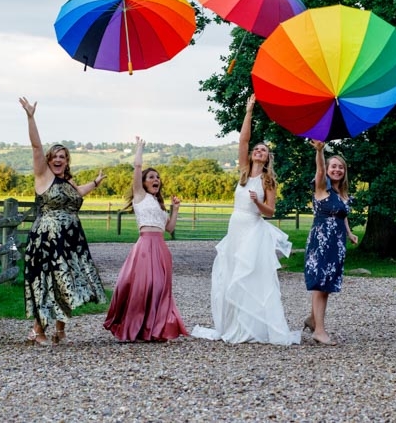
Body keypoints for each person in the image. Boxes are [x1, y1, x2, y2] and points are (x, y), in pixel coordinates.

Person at [192, 94, 301, 345]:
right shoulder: (242, 172)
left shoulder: (268, 181)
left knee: (251, 276)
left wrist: (257, 202)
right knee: (229, 274)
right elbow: (243, 139)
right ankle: (232, 325)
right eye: (257, 149)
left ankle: (252, 327)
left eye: (264, 150)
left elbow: (270, 212)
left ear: (267, 158)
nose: (259, 151)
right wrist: (249, 111)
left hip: (253, 228)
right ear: (252, 156)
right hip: (235, 227)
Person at [19, 97, 106, 347]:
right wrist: (31, 117)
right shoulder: (43, 176)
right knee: (46, 281)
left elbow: (78, 194)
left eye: (63, 157)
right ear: (49, 159)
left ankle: (59, 328)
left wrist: (96, 183)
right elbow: (36, 147)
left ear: (67, 162)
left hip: (70, 240)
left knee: (69, 282)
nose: (58, 160)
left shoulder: (68, 183)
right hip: (47, 239)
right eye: (55, 156)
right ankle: (37, 331)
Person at [103, 136, 190, 342]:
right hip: (144, 247)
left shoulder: (160, 205)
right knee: (142, 287)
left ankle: (156, 328)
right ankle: (135, 326)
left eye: (157, 178)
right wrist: (139, 148)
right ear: (142, 182)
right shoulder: (140, 196)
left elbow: (169, 228)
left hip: (160, 248)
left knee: (160, 287)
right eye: (151, 177)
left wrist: (175, 209)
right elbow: (137, 165)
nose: (155, 180)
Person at [303, 140, 358, 346]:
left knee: (326, 284)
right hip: (321, 241)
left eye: (340, 167)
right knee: (320, 285)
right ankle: (319, 330)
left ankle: (312, 318)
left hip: (337, 242)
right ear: (327, 169)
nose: (337, 169)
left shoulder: (342, 195)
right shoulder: (321, 188)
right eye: (333, 166)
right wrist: (320, 151)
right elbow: (318, 172)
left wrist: (350, 233)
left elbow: (342, 216)